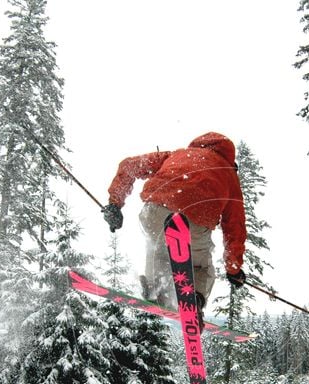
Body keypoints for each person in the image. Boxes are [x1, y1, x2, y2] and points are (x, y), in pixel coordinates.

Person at [102, 132, 247, 327]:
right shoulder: (228, 173)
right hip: (195, 219)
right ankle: (194, 300)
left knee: (157, 247)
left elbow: (129, 165)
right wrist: (233, 269)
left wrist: (114, 204)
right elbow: (234, 227)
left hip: (154, 211)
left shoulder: (177, 155)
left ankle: (153, 287)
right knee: (200, 267)